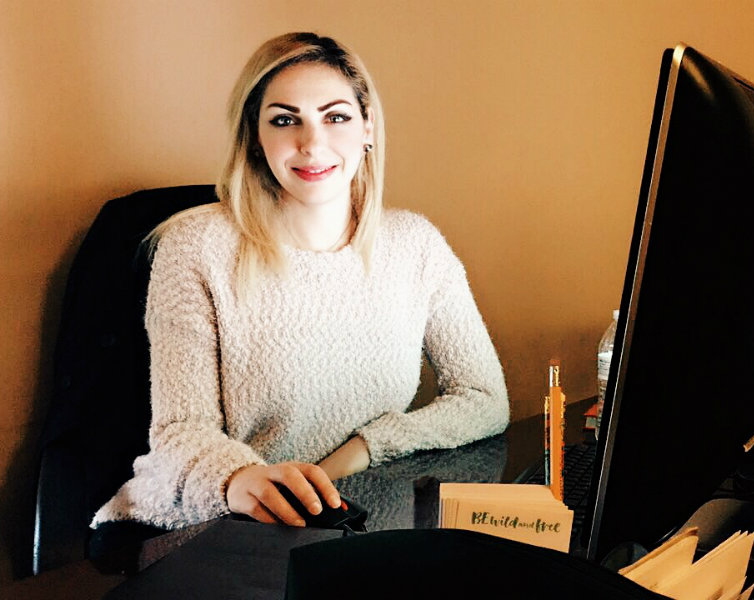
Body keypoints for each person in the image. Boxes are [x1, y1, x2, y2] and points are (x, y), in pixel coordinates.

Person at [90, 32, 508, 533]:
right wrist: (240, 478)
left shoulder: (416, 245)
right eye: (285, 120)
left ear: (368, 126)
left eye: (336, 117)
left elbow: (484, 398)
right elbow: (181, 431)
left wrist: (362, 451)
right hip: (216, 524)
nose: (312, 143)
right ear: (255, 136)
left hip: (354, 519)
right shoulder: (195, 246)